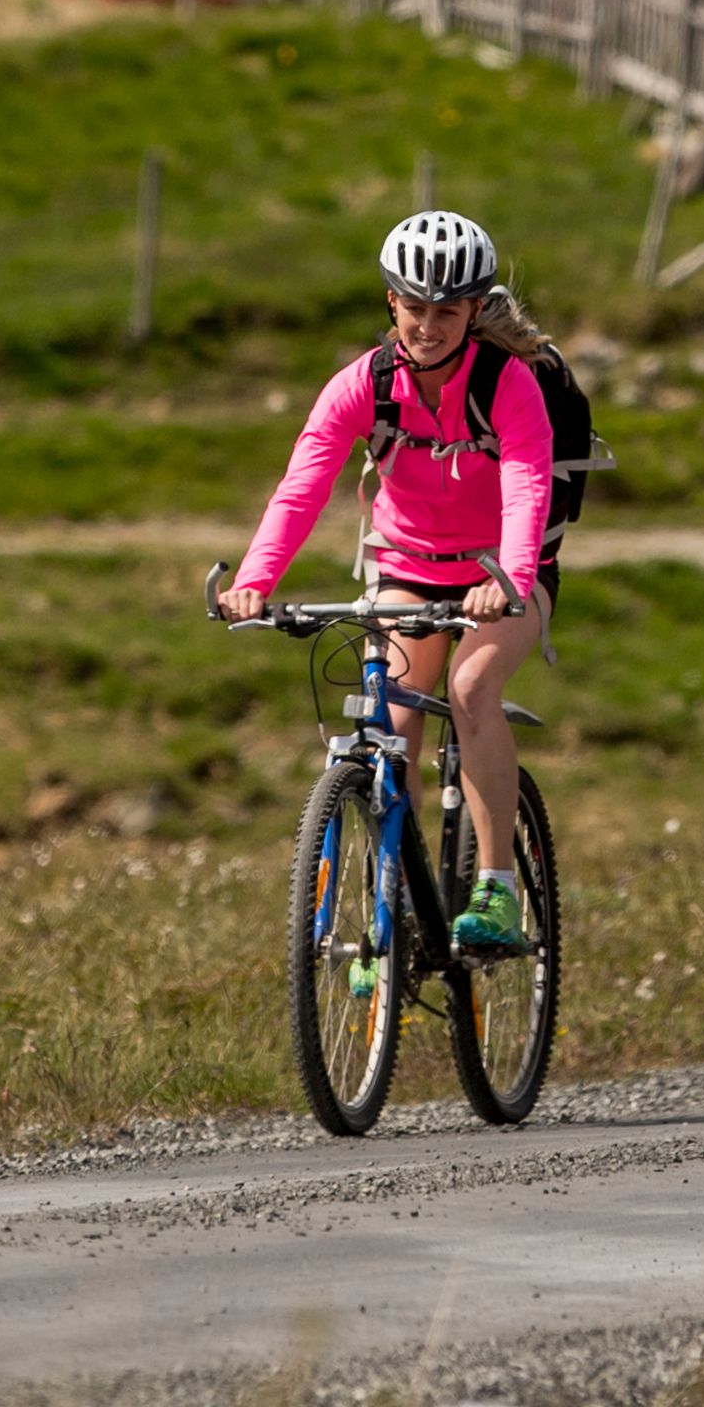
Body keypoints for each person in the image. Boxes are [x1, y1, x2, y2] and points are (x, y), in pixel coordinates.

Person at [216, 208, 562, 957]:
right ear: (391, 302)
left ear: (475, 310)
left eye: (447, 310)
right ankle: (396, 904)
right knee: (389, 728)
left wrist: (511, 578)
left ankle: (497, 887)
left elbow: (527, 487)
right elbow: (302, 485)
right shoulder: (360, 386)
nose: (429, 325)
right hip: (406, 569)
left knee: (471, 691)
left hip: (503, 575)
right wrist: (254, 580)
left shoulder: (509, 386)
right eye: (415, 306)